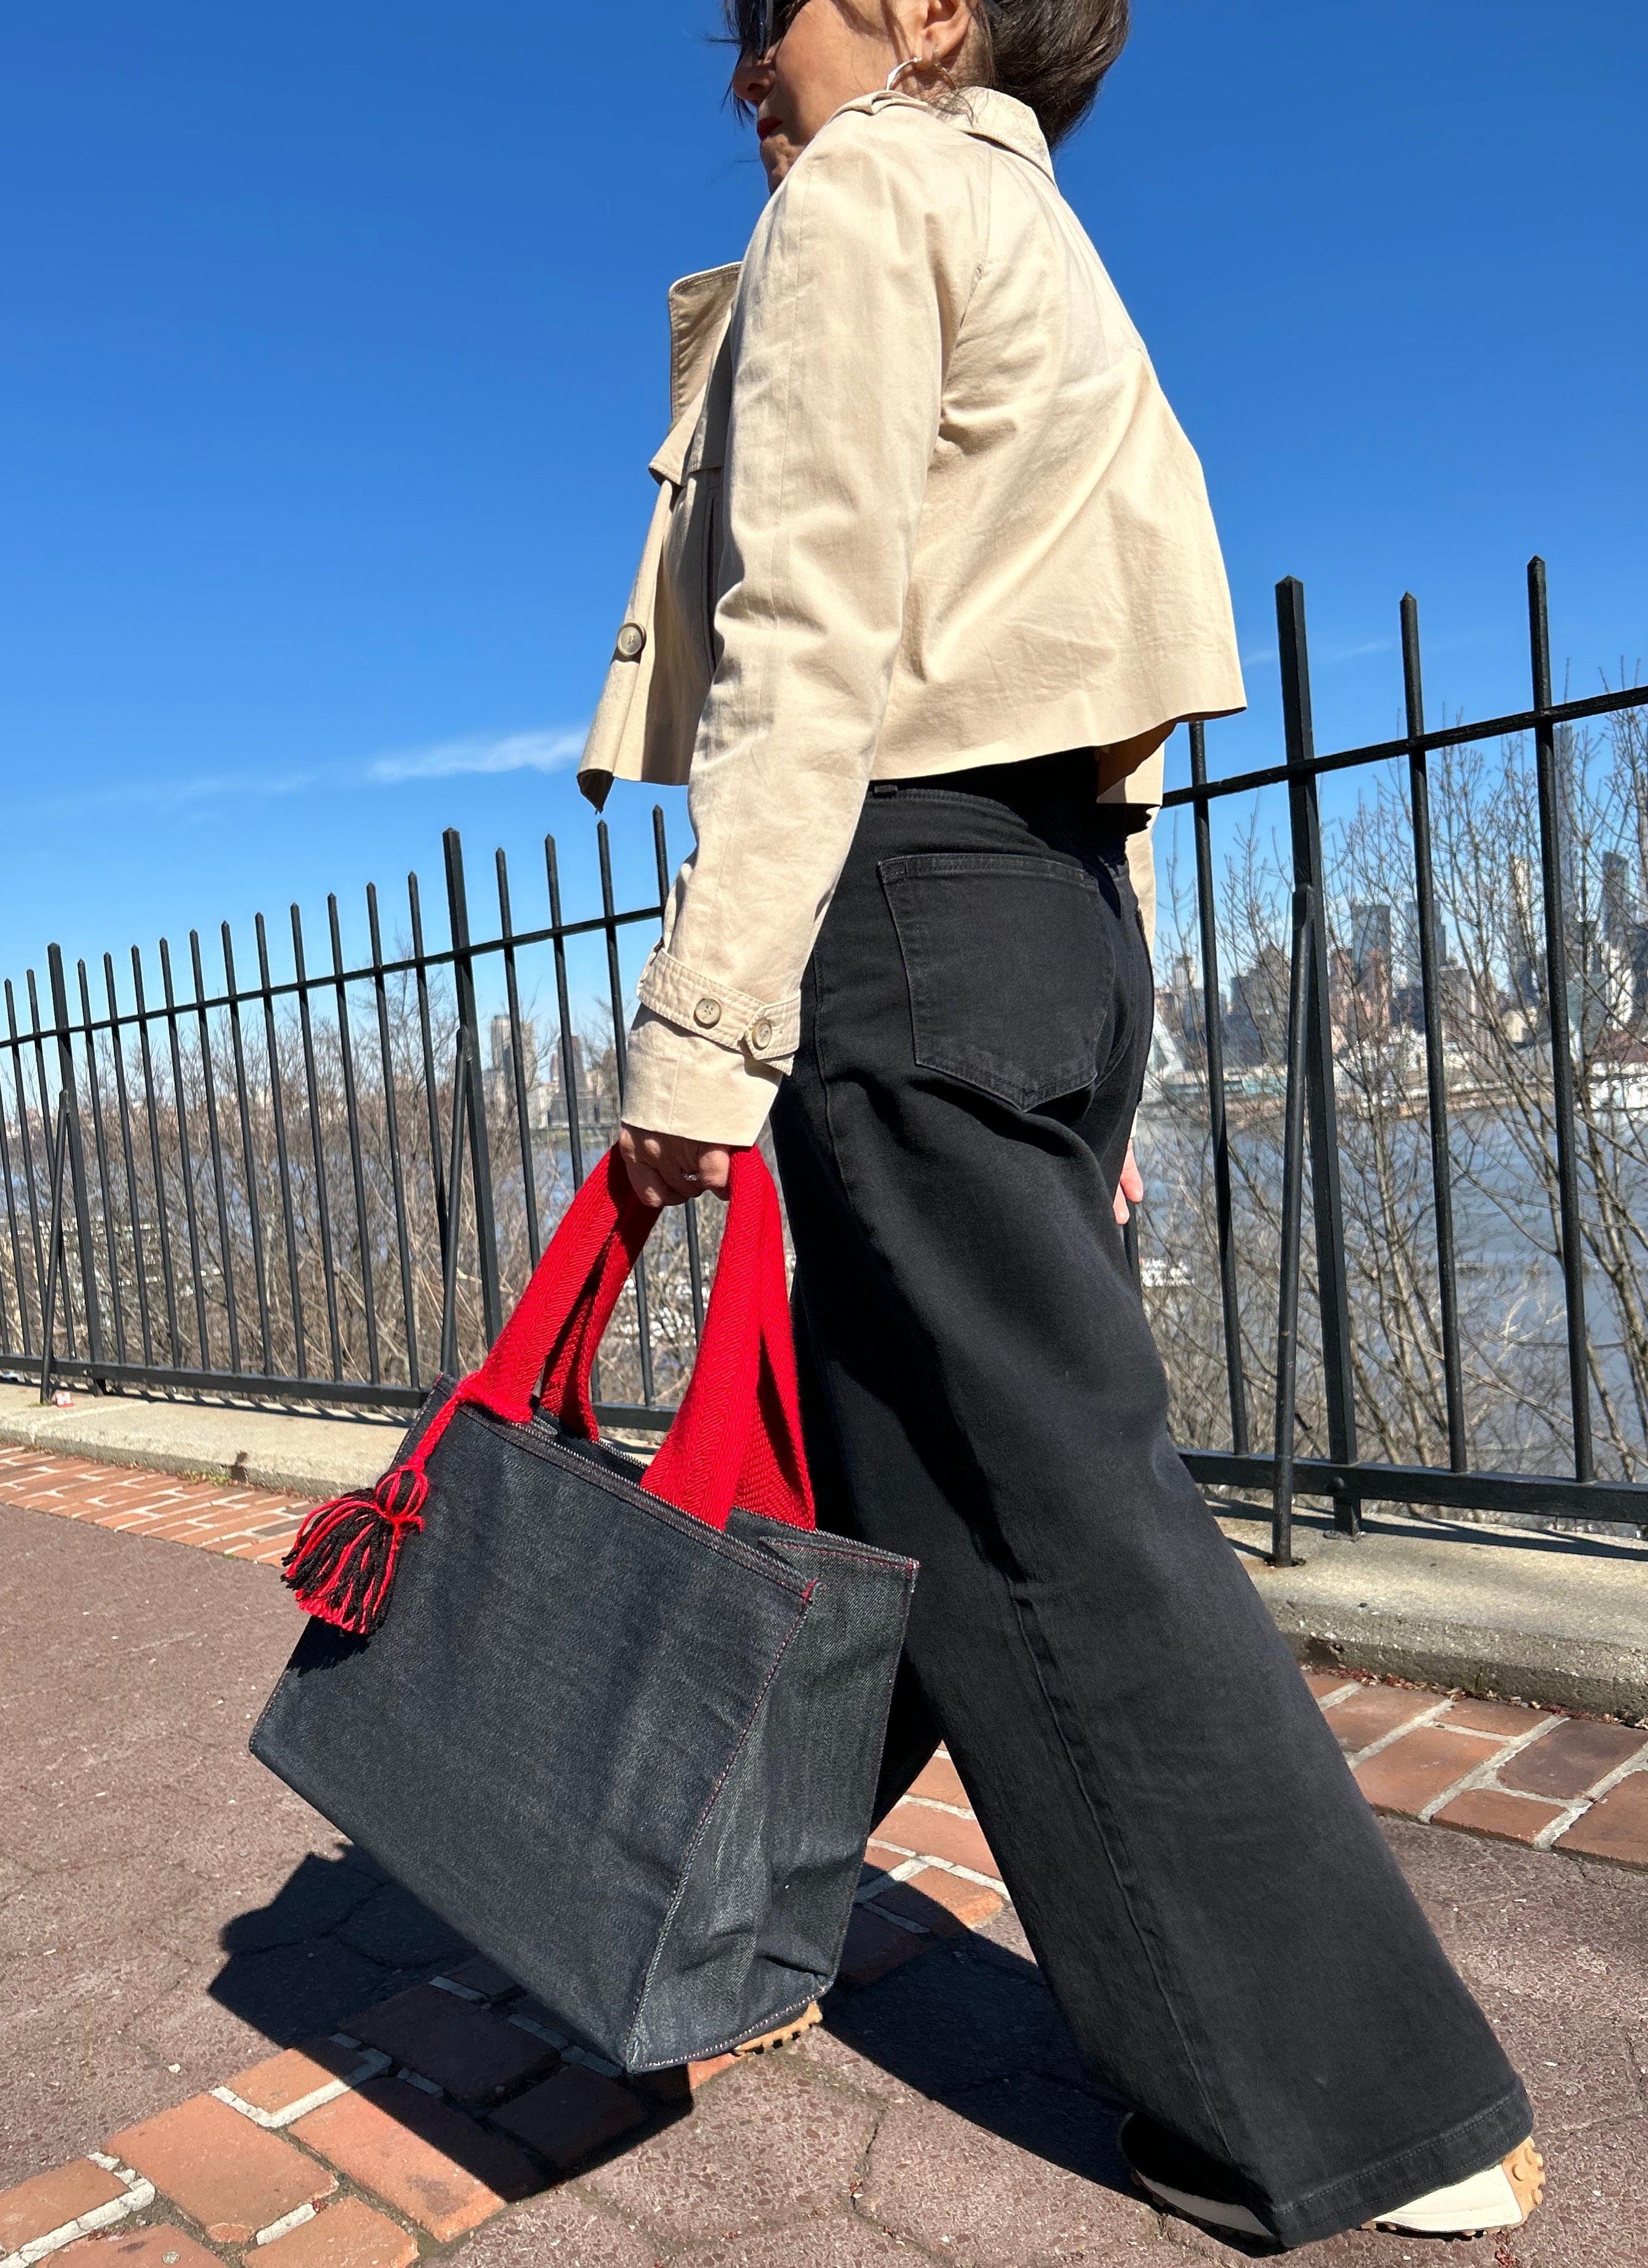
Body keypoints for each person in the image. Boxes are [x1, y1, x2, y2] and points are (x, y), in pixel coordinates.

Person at [578, 0, 1543, 2246]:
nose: (741, 51)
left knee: (1044, 1513)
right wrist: (1082, 1033)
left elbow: (806, 635)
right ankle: (723, 1918)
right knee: (903, 1475)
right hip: (1041, 916)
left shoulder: (866, 193)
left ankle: (1350, 2098)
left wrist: (698, 1037)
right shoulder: (1044, 238)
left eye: (776, 9)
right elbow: (1096, 668)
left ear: (920, 13)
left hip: (898, 910)